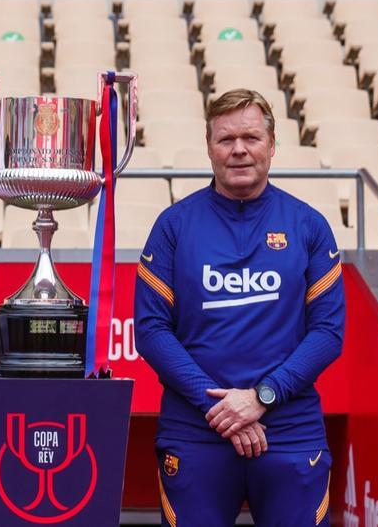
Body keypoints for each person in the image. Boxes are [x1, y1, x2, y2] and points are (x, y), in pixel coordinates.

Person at [135, 89, 345, 527]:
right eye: (225, 139)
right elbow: (152, 331)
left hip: (289, 432)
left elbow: (327, 333)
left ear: (272, 144)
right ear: (209, 146)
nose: (238, 150)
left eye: (251, 137)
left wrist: (262, 397)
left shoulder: (309, 225)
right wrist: (221, 409)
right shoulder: (173, 226)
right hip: (196, 433)